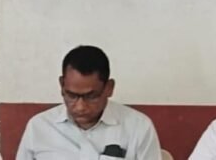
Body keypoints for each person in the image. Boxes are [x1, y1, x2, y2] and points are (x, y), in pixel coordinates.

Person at [16, 45, 162, 160]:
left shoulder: (138, 127)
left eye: (91, 97)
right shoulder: (39, 127)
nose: (80, 107)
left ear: (109, 88)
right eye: (72, 96)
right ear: (61, 85)